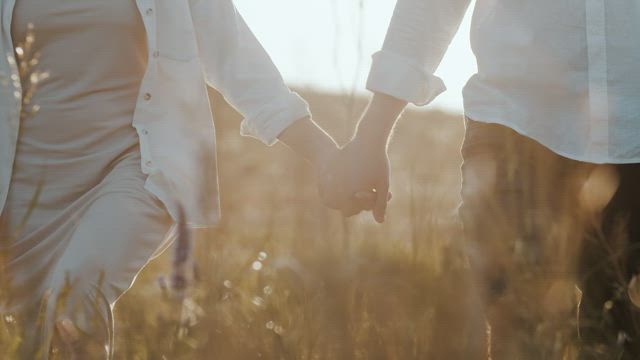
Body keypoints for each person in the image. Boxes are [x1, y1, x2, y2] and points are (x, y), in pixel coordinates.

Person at [0, 0, 339, 358]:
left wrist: (323, 153)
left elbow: (234, 54)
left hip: (136, 166)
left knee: (76, 299)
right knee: (25, 339)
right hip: (24, 190)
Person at [319, 0, 640, 358]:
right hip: (515, 120)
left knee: (621, 338)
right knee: (521, 329)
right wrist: (373, 132)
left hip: (634, 132)